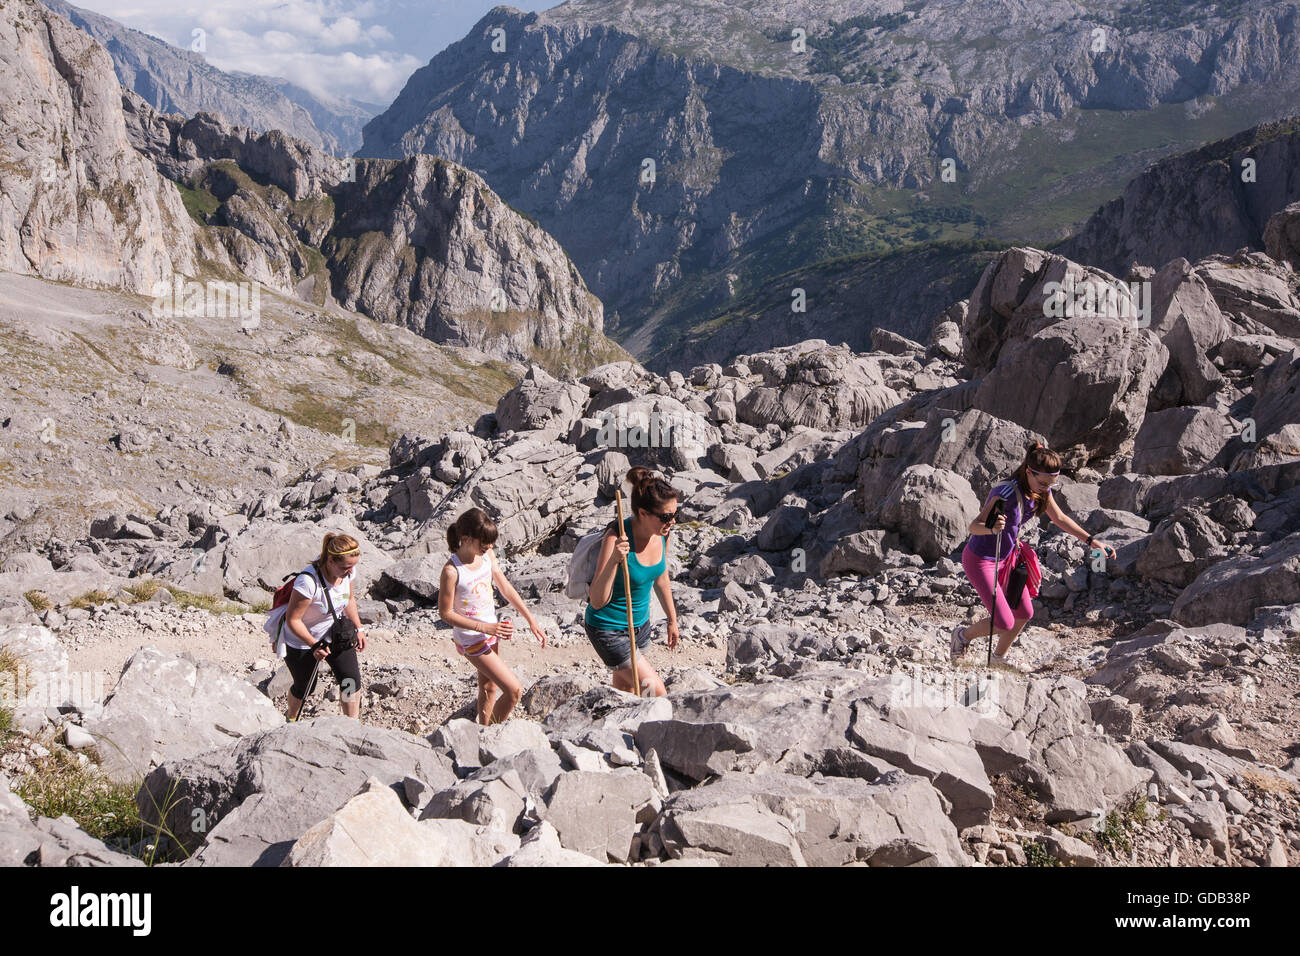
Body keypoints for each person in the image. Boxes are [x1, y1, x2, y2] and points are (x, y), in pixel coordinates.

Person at [951, 442, 1118, 671]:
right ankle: (961, 637)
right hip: (981, 560)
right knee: (1003, 621)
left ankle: (998, 657)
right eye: (1042, 483)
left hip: (1007, 558)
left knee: (1025, 612)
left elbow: (1059, 518)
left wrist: (1092, 541)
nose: (1046, 488)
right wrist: (991, 529)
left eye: (1051, 483)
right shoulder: (1005, 493)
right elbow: (974, 526)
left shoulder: (1042, 490)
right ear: (1028, 472)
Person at [438, 508, 547, 725]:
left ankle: (482, 731)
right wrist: (485, 628)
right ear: (466, 539)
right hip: (472, 637)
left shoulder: (486, 555)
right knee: (514, 690)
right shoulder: (452, 571)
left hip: (490, 631)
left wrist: (530, 620)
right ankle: (493, 733)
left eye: (491, 542)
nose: (489, 547)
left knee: (489, 686)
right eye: (484, 542)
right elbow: (445, 613)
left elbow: (504, 587)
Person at [585, 466, 681, 697]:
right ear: (643, 513)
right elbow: (597, 600)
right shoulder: (617, 536)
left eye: (675, 514)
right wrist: (614, 561)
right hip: (608, 629)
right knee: (656, 693)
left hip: (640, 627)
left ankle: (619, 731)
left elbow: (661, 576)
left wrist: (672, 619)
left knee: (626, 692)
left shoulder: (662, 534)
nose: (672, 522)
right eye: (667, 517)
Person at [283, 532, 368, 719]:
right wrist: (314, 644)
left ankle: (351, 725)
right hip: (303, 641)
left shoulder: (348, 573)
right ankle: (291, 719)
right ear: (330, 561)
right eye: (346, 567)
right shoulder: (307, 582)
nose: (350, 571)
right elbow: (293, 620)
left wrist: (359, 627)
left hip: (334, 633)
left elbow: (349, 599)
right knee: (304, 687)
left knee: (350, 681)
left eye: (353, 566)